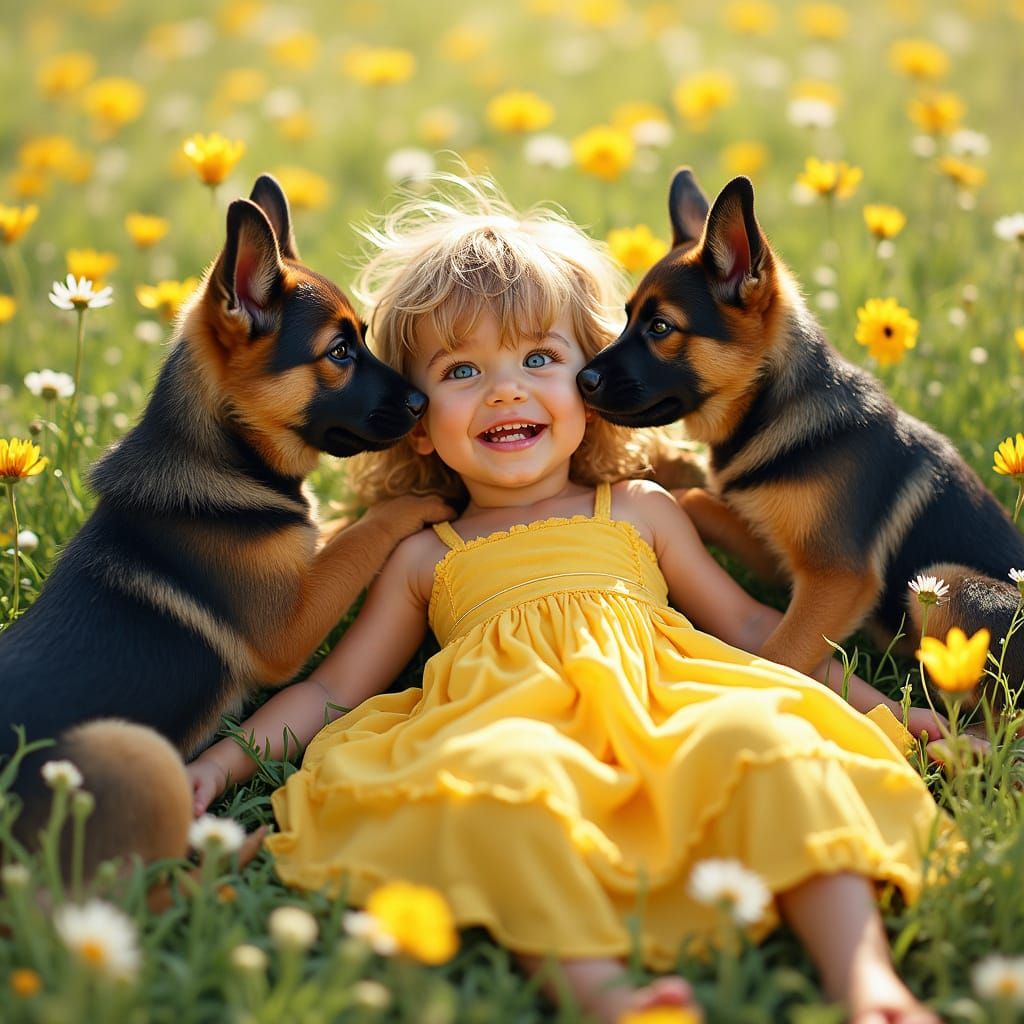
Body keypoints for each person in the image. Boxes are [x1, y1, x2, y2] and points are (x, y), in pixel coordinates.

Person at [188, 177, 949, 1024]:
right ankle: (606, 995)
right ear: (412, 414)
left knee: (763, 740)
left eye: (539, 359)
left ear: (592, 380)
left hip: (668, 713)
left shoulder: (640, 510)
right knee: (499, 790)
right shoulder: (422, 554)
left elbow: (747, 624)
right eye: (461, 370)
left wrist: (885, 709)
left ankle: (865, 982)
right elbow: (334, 692)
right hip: (505, 732)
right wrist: (222, 763)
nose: (505, 391)